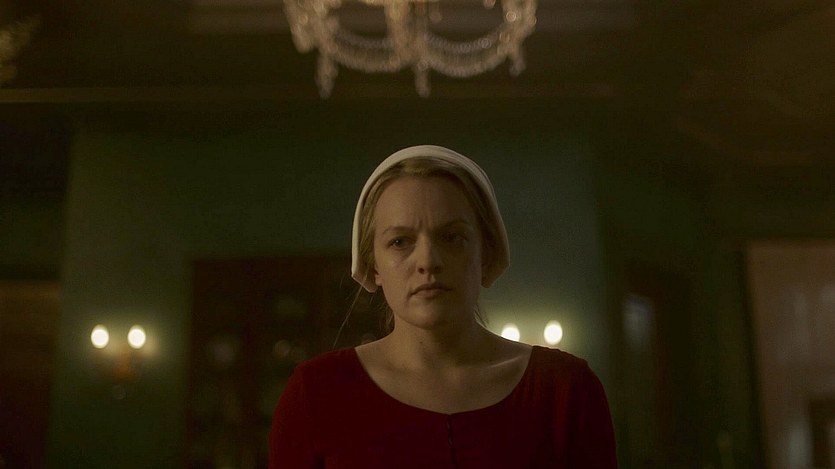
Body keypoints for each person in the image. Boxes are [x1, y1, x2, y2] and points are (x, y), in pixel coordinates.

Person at [269, 145, 617, 468]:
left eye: (452, 237)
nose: (428, 261)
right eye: (400, 241)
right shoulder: (316, 394)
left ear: (485, 253)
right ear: (373, 264)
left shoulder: (564, 391)